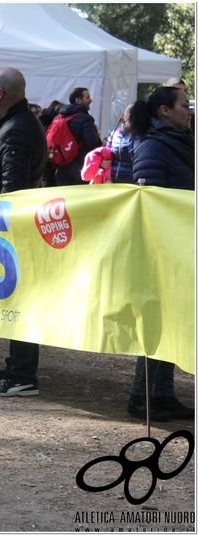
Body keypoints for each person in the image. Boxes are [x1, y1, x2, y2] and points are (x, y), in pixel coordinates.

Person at [123, 85, 194, 421]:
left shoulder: (177, 144)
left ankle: (162, 394)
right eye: (183, 105)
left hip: (178, 244)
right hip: (160, 247)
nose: (189, 111)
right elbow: (147, 199)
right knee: (156, 321)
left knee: (170, 320)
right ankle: (143, 396)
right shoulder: (154, 146)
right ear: (164, 111)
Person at [0, 67, 47, 397]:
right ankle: (17, 366)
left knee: (20, 302)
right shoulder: (13, 124)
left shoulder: (17, 128)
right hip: (4, 229)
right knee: (11, 302)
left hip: (10, 230)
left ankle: (23, 374)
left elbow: (13, 188)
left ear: (0, 93)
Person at [53, 87, 102, 187]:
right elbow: (91, 144)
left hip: (60, 167)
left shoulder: (57, 118)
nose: (90, 100)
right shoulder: (85, 119)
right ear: (78, 100)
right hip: (80, 167)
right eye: (87, 97)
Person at [104, 105, 136, 184]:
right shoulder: (115, 132)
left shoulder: (140, 135)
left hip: (132, 182)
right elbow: (106, 154)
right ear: (125, 118)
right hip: (113, 180)